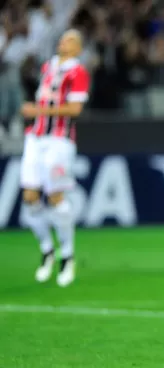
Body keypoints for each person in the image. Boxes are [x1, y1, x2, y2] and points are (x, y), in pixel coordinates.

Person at [20, 29, 91, 287]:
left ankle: (68, 255)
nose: (63, 41)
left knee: (55, 197)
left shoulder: (78, 72)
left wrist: (37, 109)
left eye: (71, 39)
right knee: (29, 198)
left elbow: (74, 109)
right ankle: (48, 249)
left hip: (59, 141)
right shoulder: (48, 66)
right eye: (63, 38)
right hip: (35, 137)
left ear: (78, 48)